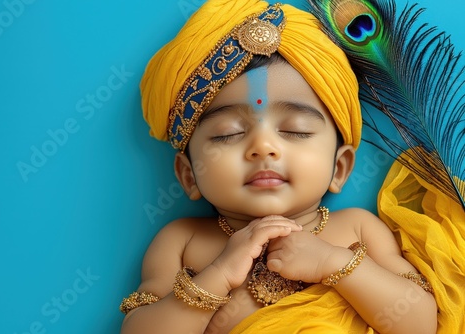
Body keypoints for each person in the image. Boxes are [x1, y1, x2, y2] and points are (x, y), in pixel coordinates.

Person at [120, 0, 437, 333]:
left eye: (295, 130)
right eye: (229, 134)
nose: (263, 148)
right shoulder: (183, 240)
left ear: (340, 167)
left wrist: (335, 263)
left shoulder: (357, 229)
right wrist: (220, 273)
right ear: (188, 175)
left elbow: (419, 324)